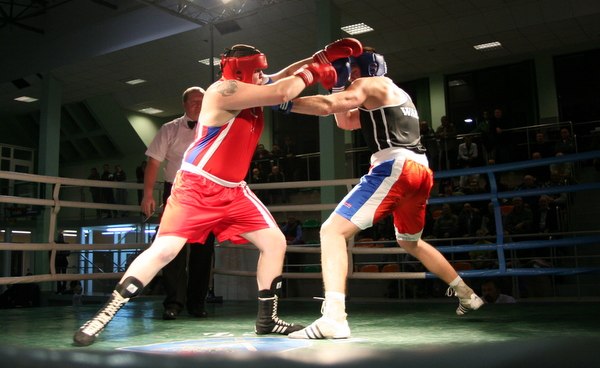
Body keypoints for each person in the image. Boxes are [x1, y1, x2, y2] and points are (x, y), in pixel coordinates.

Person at [73, 38, 352, 346]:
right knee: (165, 251)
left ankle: (267, 320)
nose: (263, 76)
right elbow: (283, 91)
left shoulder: (252, 85)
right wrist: (313, 72)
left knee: (274, 242)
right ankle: (103, 316)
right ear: (242, 72)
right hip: (197, 187)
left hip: (234, 191)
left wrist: (319, 57)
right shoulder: (222, 91)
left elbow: (281, 78)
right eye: (258, 71)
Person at [287, 47, 483, 340]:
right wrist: (338, 87)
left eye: (352, 70)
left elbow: (328, 106)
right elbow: (345, 120)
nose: (349, 77)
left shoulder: (368, 83)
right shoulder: (396, 93)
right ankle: (466, 293)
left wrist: (283, 101)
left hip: (395, 168)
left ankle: (334, 319)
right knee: (410, 242)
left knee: (331, 231)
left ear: (365, 68)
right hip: (421, 172)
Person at [141, 86, 214, 320]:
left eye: (202, 100)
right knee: (173, 250)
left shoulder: (215, 126)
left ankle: (197, 303)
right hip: (176, 192)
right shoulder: (169, 129)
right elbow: (154, 163)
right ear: (184, 105)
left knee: (203, 251)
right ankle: (173, 303)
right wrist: (148, 194)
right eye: (193, 101)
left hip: (206, 193)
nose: (198, 105)